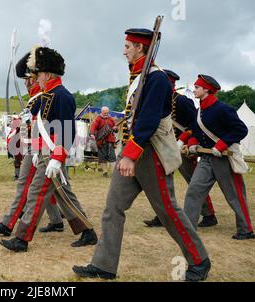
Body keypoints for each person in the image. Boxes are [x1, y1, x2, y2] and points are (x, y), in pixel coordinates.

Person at [73, 28, 210, 282]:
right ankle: (104, 265)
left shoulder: (156, 79)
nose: (124, 50)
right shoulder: (139, 76)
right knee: (113, 208)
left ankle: (199, 260)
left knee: (168, 210)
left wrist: (129, 155)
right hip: (133, 151)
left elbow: (147, 121)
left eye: (128, 46)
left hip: (149, 153)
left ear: (140, 48)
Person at [0, 46, 98, 253]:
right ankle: (87, 231)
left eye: (38, 74)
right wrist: (36, 151)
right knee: (63, 193)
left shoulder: (62, 96)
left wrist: (56, 157)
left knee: (36, 193)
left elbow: (67, 131)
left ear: (47, 73)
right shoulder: (45, 95)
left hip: (54, 153)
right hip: (44, 152)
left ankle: (22, 238)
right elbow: (39, 128)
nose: (35, 78)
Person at [0, 52, 67, 238]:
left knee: (34, 187)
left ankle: (10, 223)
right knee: (54, 190)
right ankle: (58, 221)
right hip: (37, 145)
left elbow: (57, 127)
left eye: (29, 78)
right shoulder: (37, 95)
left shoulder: (47, 94)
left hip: (47, 147)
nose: (26, 83)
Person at [144, 70, 218, 228]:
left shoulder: (182, 101)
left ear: (169, 83)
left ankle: (209, 214)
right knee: (161, 184)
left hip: (182, 148)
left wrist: (186, 141)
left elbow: (196, 124)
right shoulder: (157, 100)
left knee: (194, 181)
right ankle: (163, 216)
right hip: (164, 147)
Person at [183, 74, 254, 240]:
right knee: (194, 190)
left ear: (206, 89)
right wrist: (193, 142)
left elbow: (240, 130)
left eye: (197, 87)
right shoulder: (199, 110)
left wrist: (221, 145)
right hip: (206, 158)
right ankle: (187, 227)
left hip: (224, 158)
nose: (194, 90)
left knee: (234, 195)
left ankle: (246, 230)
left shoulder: (223, 109)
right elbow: (195, 131)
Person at [90, 107, 117, 177]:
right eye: (105, 113)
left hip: (110, 141)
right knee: (102, 158)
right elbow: (93, 126)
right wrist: (92, 134)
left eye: (107, 113)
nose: (106, 114)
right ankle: (105, 172)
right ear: (101, 112)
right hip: (101, 142)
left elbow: (116, 128)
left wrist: (115, 128)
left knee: (112, 157)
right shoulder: (98, 119)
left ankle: (114, 174)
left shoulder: (111, 119)